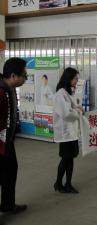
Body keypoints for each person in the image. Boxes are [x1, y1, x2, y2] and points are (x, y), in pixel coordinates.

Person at [0, 58, 28, 213]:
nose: (26, 78)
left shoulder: (9, 89)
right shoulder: (0, 92)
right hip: (0, 144)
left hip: (7, 142)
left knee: (10, 172)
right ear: (13, 76)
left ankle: (8, 205)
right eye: (24, 75)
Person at [53, 67, 83, 194]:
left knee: (70, 159)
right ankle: (59, 183)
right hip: (65, 132)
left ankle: (67, 183)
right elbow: (66, 113)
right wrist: (78, 111)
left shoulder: (69, 92)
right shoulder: (60, 93)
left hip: (72, 132)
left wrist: (77, 108)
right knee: (66, 158)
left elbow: (72, 108)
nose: (77, 80)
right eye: (75, 78)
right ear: (69, 78)